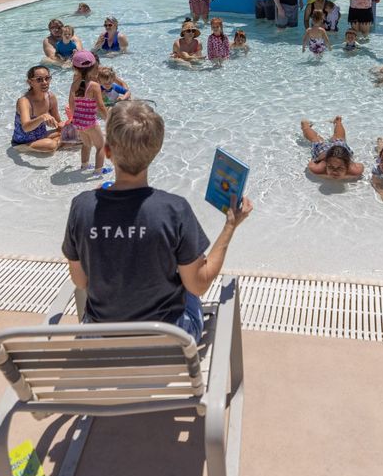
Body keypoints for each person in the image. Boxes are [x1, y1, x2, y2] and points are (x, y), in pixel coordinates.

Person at [61, 100, 254, 343]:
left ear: (108, 151)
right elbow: (198, 285)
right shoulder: (174, 209)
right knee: (186, 277)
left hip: (101, 340)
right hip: (169, 340)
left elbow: (80, 281)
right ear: (156, 150)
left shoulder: (82, 206)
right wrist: (230, 226)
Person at [68, 51, 109, 174]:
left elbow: (71, 104)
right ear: (94, 67)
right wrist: (108, 118)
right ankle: (98, 171)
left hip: (78, 122)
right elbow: (101, 106)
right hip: (90, 123)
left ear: (75, 68)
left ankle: (84, 166)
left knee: (86, 145)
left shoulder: (74, 85)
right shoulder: (94, 86)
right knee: (100, 146)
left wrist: (75, 118)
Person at [12, 65, 64, 152]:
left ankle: (57, 143)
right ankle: (25, 148)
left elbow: (58, 123)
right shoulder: (24, 101)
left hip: (41, 136)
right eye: (39, 79)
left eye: (47, 78)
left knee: (77, 133)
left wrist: (68, 125)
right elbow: (26, 127)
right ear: (30, 82)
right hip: (23, 141)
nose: (44, 82)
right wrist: (42, 117)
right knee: (50, 145)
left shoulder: (51, 97)